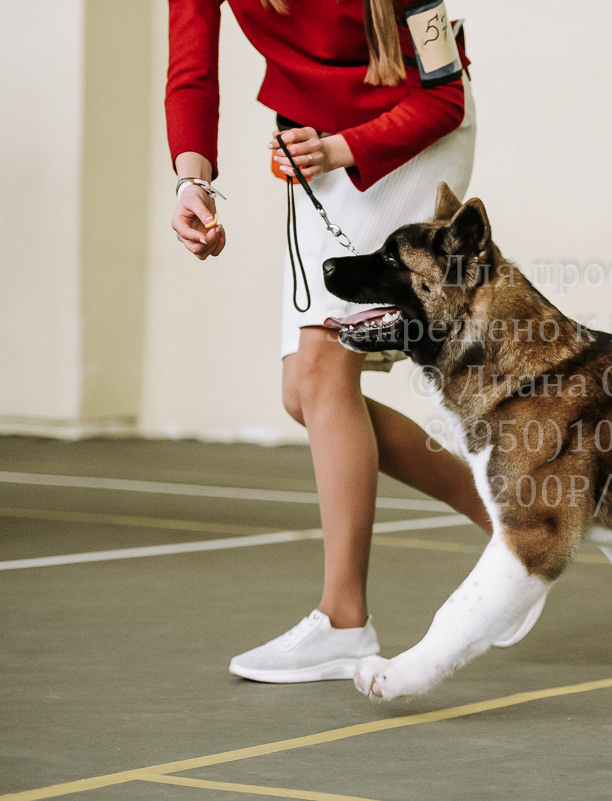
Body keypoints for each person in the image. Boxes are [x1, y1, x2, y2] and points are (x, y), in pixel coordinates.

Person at [166, 0, 538, 683]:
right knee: (302, 394)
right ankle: (512, 521)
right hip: (314, 152)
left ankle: (344, 622)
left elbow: (446, 95)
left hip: (405, 139)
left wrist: (339, 148)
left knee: (320, 374)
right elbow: (192, 70)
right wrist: (194, 183)